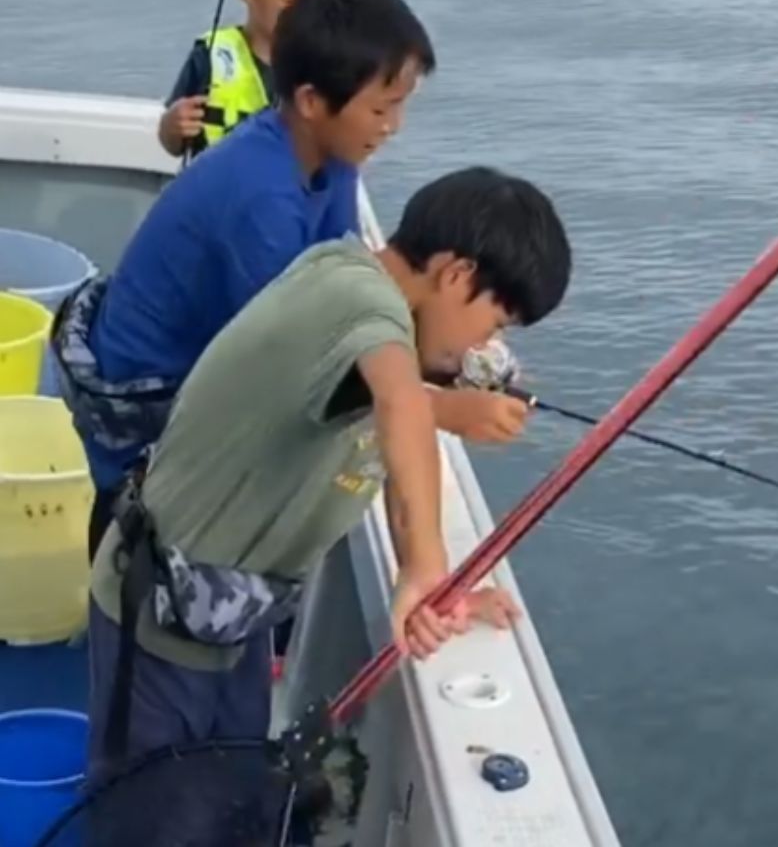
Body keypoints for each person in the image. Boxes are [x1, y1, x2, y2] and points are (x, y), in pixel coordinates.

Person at [85, 166, 571, 784]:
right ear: (457, 275)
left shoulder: (349, 274)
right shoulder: (363, 306)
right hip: (157, 624)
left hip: (231, 617)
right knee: (149, 812)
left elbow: (395, 407)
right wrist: (425, 569)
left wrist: (436, 587)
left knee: (224, 797)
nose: (484, 347)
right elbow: (400, 403)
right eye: (495, 324)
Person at [53, 0, 530, 563]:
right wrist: (444, 409)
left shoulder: (330, 160)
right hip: (144, 433)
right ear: (311, 101)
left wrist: (440, 359)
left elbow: (348, 292)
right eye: (382, 109)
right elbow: (297, 366)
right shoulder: (262, 199)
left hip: (202, 382)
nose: (394, 127)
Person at [157, 0, 327, 159]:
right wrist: (171, 127)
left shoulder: (324, 64)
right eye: (290, 3)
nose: (304, 14)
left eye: (313, 3)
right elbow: (173, 145)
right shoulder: (209, 57)